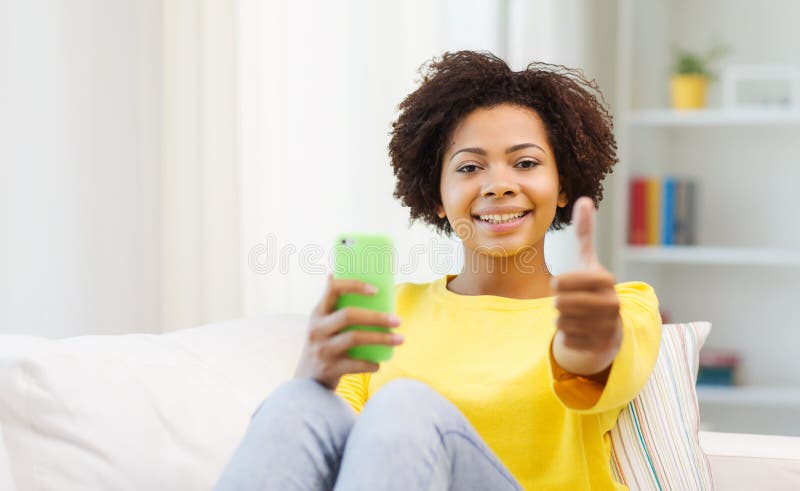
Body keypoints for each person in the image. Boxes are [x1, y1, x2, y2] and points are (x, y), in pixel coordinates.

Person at [215, 50, 662, 490]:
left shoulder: (618, 308)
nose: (499, 185)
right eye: (469, 167)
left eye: (525, 163)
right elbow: (345, 459)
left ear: (563, 185)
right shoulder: (389, 313)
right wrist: (314, 376)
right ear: (436, 197)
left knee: (403, 404)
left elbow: (590, 363)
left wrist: (586, 342)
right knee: (295, 402)